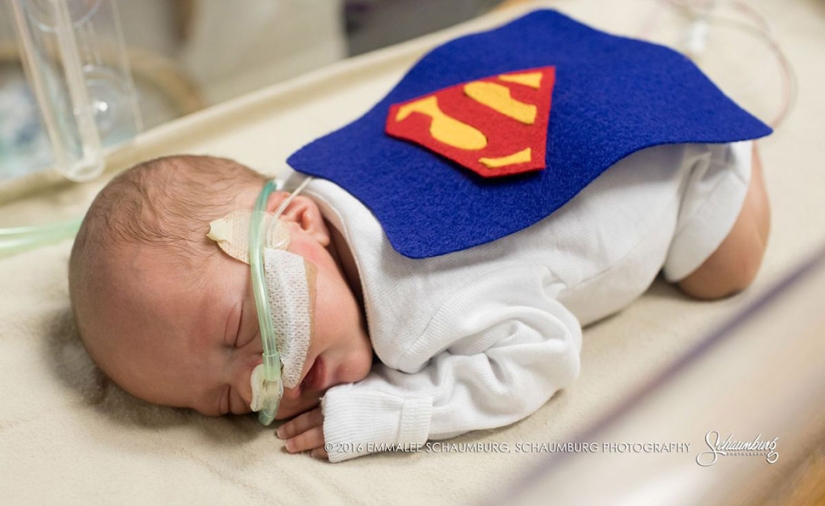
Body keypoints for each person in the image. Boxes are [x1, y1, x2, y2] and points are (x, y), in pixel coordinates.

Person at [68, 136, 769, 463]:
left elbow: (545, 354)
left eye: (241, 327)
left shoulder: (421, 301)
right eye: (228, 401)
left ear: (301, 220)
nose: (266, 380)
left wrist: (405, 411)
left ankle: (739, 150)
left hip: (668, 162)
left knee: (720, 271)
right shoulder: (321, 196)